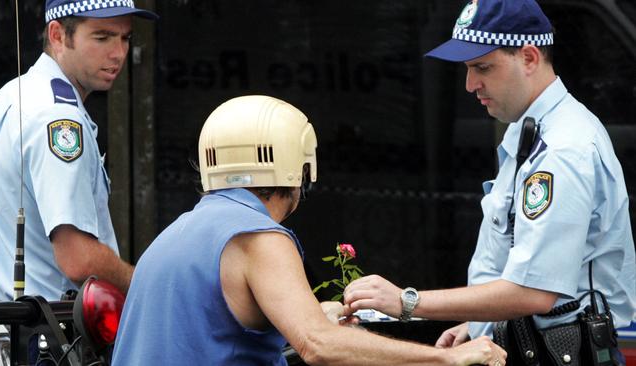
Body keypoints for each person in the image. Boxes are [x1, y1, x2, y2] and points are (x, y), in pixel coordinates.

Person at [111, 95, 506, 365]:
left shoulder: (179, 231)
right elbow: (318, 346)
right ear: (299, 169)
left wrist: (310, 314)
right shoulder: (258, 237)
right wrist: (448, 358)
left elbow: (208, 332)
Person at [343, 0, 635, 363]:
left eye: (482, 67)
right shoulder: (534, 132)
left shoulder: (562, 150)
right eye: (467, 69)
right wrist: (481, 323)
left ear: (529, 57)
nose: (470, 84)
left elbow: (534, 291)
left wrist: (407, 302)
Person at [0, 0, 157, 301]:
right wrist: (147, 286)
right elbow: (78, 258)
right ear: (57, 35)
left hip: (11, 327)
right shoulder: (58, 117)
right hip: (53, 335)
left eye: (126, 38)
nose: (118, 53)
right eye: (102, 37)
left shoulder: (12, 95)